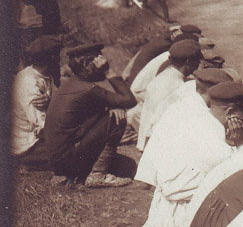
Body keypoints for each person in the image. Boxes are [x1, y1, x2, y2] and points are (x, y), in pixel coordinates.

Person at [136, 80, 243, 227]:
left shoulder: (202, 119)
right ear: (230, 113)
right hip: (182, 214)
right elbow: (242, 172)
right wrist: (241, 142)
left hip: (178, 202)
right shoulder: (211, 138)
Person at [44, 43, 136, 187]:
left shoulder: (71, 84)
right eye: (99, 62)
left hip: (58, 161)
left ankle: (82, 173)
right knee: (117, 118)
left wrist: (111, 106)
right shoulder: (88, 90)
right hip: (67, 160)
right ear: (87, 64)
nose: (102, 65)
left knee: (127, 166)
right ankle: (98, 174)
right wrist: (109, 72)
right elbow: (129, 100)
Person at [136, 39, 204, 149]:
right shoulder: (178, 86)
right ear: (187, 62)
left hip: (146, 139)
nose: (198, 64)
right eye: (197, 61)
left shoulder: (164, 76)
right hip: (157, 143)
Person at [11, 35, 61, 168]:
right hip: (29, 147)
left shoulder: (46, 77)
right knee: (77, 151)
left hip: (40, 140)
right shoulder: (29, 82)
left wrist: (51, 101)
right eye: (58, 56)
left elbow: (60, 102)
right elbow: (43, 127)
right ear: (52, 58)